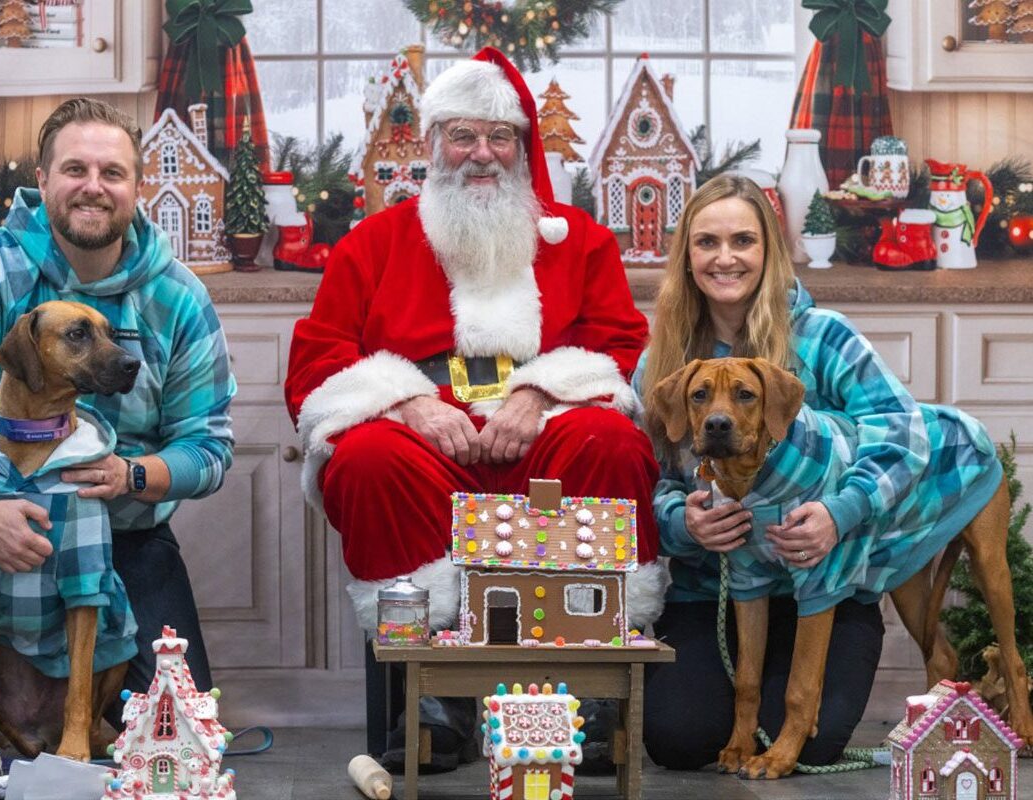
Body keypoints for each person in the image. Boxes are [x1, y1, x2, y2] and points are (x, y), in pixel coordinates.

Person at [284, 47, 666, 771]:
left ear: (523, 147)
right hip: (424, 441)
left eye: (500, 137)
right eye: (463, 135)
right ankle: (430, 694)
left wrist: (540, 391)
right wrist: (407, 401)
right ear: (433, 144)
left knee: (610, 443)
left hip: (545, 433)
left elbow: (620, 347)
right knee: (366, 458)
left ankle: (588, 686)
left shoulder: (580, 241)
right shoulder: (373, 243)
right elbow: (318, 361)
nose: (482, 153)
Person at [0, 97, 236, 768]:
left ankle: (73, 725)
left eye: (113, 172)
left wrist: (132, 474)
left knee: (182, 725)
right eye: (75, 168)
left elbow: (212, 447)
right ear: (43, 179)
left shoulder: (178, 296)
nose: (93, 186)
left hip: (117, 530)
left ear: (137, 187)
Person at [634, 174, 1002, 770]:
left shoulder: (824, 336)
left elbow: (905, 434)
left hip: (829, 581)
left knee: (814, 739)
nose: (725, 258)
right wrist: (684, 523)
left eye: (743, 240)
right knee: (679, 739)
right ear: (686, 257)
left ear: (769, 250)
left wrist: (840, 511)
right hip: (718, 588)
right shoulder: (662, 363)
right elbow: (649, 482)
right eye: (707, 242)